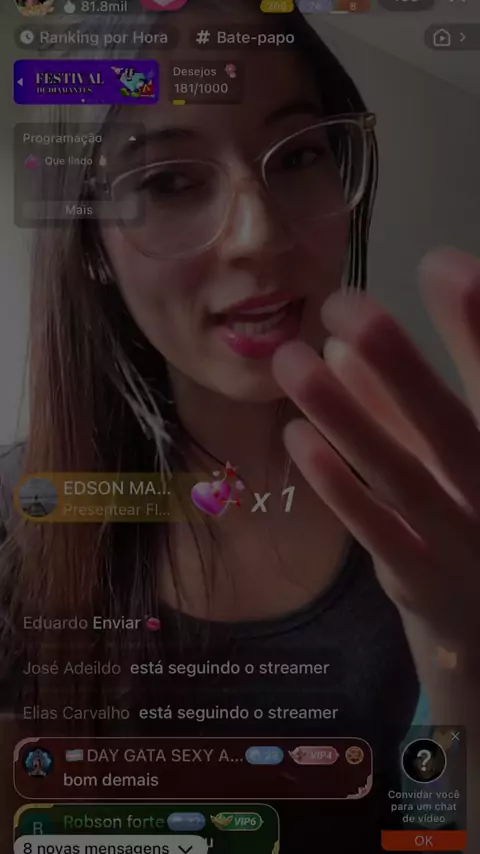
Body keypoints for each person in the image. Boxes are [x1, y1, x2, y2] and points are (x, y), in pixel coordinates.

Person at [0, 2, 479, 850]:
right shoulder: (15, 526)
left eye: (297, 156)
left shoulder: (442, 512)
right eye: (168, 181)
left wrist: (462, 651)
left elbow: (431, 832)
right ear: (93, 244)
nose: (259, 235)